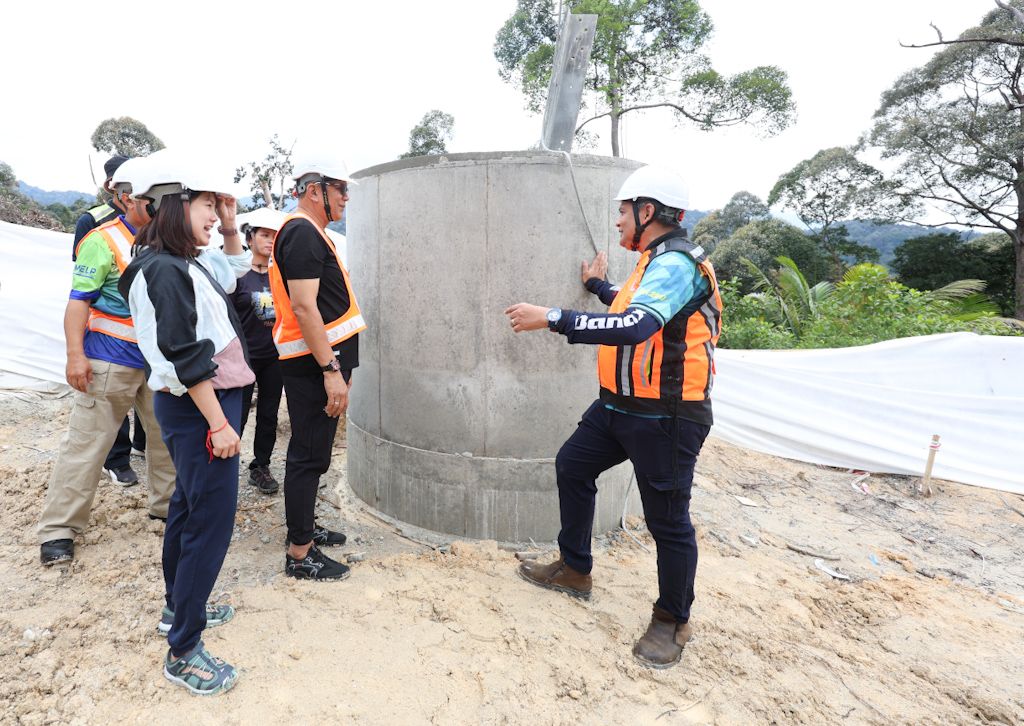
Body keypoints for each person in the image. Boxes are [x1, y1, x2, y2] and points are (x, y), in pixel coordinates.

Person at [504, 165, 722, 670]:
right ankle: (575, 569)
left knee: (667, 520)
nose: (618, 223)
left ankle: (672, 620)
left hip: (667, 415)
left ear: (647, 211)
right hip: (619, 405)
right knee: (572, 466)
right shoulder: (654, 262)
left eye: (622, 213)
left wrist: (554, 317)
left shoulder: (677, 264)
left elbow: (636, 324)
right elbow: (629, 304)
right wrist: (599, 284)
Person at [119, 159, 254, 695]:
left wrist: (227, 222)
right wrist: (219, 424)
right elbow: (183, 353)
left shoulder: (181, 262)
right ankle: (185, 650)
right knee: (210, 522)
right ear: (175, 206)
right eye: (205, 205)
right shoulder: (165, 270)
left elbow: (233, 269)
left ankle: (178, 607)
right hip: (203, 407)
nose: (213, 215)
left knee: (188, 508)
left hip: (203, 404)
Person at [37, 156, 177, 566]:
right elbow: (78, 302)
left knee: (166, 441)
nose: (158, 207)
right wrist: (75, 356)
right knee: (86, 445)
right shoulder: (101, 240)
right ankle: (59, 531)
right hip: (109, 361)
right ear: (126, 198)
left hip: (158, 365)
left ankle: (167, 507)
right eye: (151, 199)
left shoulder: (167, 242)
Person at [269, 152, 364, 581]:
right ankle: (299, 553)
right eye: (341, 188)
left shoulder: (311, 233)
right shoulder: (303, 234)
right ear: (315, 190)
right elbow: (305, 308)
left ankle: (304, 527)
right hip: (314, 365)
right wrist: (331, 370)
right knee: (308, 455)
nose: (346, 197)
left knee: (317, 452)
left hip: (320, 362)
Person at [75, 153, 147, 484]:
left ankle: (140, 446)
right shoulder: (93, 223)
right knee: (109, 409)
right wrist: (76, 352)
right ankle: (117, 459)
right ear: (113, 188)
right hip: (109, 341)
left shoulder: (160, 227)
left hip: (148, 346)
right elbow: (83, 285)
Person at [231, 207, 286, 494]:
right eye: (264, 235)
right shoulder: (236, 275)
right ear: (250, 238)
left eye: (274, 236)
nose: (270, 241)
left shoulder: (280, 274)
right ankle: (225, 466)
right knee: (235, 413)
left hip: (274, 357)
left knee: (269, 413)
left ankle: (260, 466)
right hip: (242, 358)